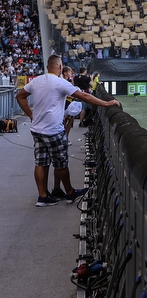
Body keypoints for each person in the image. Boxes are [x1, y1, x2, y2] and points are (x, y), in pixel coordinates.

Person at [15, 54, 121, 206]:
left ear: (47, 67)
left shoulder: (37, 81)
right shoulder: (59, 83)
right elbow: (84, 96)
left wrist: (30, 114)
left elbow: (20, 96)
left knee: (40, 162)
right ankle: (70, 193)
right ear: (59, 68)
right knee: (61, 163)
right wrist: (106, 103)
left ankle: (42, 196)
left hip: (37, 129)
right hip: (53, 130)